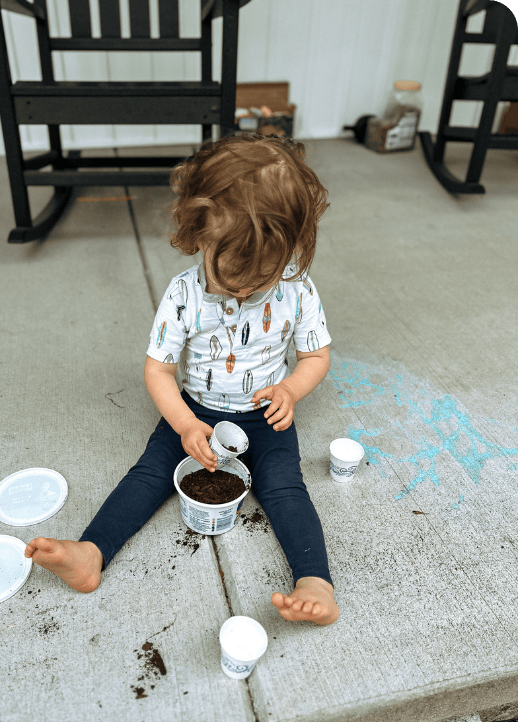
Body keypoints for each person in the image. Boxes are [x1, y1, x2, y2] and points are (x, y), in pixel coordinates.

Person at [25, 132, 339, 626]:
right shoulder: (183, 295)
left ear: (293, 247)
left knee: (284, 487)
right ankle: (90, 553)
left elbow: (316, 354)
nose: (244, 288)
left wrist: (290, 389)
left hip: (265, 413)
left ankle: (315, 581)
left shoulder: (296, 288)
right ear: (198, 234)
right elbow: (159, 369)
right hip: (196, 412)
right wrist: (185, 424)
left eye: (262, 276)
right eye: (231, 273)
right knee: (150, 473)